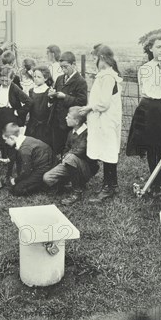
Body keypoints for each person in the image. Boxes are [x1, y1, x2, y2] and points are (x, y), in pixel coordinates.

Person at [125, 34, 161, 198]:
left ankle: (159, 183)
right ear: (150, 48)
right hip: (147, 108)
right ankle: (153, 181)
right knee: (150, 146)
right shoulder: (144, 68)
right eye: (158, 47)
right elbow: (143, 88)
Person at [79, 45, 123, 202]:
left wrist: (89, 107)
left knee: (108, 152)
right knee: (106, 151)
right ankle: (111, 184)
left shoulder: (108, 77)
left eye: (94, 57)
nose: (92, 60)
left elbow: (104, 104)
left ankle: (109, 188)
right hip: (102, 120)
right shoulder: (104, 75)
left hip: (107, 120)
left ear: (102, 58)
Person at [43, 106, 99, 204]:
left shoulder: (87, 133)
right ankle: (70, 183)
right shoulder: (71, 132)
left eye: (68, 117)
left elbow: (80, 151)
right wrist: (64, 157)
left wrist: (65, 157)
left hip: (86, 168)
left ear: (77, 121)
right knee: (47, 178)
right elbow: (66, 148)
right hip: (69, 162)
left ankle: (77, 191)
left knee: (71, 157)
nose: (65, 118)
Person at [48, 51, 88, 154]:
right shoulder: (59, 78)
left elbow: (82, 101)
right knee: (55, 147)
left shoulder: (80, 81)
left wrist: (65, 97)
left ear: (73, 64)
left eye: (66, 67)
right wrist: (52, 95)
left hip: (68, 122)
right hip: (56, 120)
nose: (63, 70)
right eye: (61, 67)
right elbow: (55, 97)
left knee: (66, 148)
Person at [2, 123, 55, 196]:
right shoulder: (24, 139)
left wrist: (15, 180)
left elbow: (26, 171)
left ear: (12, 138)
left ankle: (42, 184)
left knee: (17, 190)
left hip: (44, 168)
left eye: (5, 139)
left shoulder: (25, 149)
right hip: (44, 162)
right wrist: (7, 160)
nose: (5, 142)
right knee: (19, 184)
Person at [0, 66, 31, 159]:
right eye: (2, 80)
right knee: (0, 138)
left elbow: (29, 102)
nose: (4, 83)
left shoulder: (14, 88)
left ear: (12, 79)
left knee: (10, 139)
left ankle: (11, 162)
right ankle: (3, 159)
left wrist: (18, 112)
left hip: (10, 116)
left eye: (7, 81)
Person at [25, 66, 53, 147]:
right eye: (34, 76)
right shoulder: (31, 91)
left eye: (39, 77)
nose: (36, 79)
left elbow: (50, 108)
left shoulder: (49, 91)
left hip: (44, 126)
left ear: (45, 78)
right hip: (32, 124)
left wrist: (51, 98)